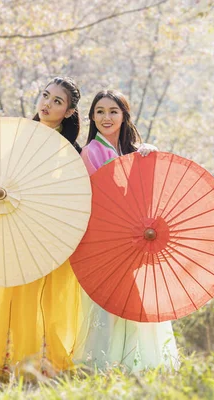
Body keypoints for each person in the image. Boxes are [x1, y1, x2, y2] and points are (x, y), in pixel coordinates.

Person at [0, 77, 85, 380]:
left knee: (42, 301)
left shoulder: (71, 151)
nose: (47, 104)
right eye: (46, 96)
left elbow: (74, 196)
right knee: (9, 296)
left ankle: (39, 366)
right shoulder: (18, 137)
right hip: (15, 230)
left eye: (57, 101)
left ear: (68, 112)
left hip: (50, 236)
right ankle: (6, 365)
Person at [76, 89, 180, 372]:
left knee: (138, 303)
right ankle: (104, 365)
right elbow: (101, 197)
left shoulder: (136, 151)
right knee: (110, 305)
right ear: (92, 117)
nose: (106, 117)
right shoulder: (91, 152)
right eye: (99, 112)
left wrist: (148, 157)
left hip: (137, 239)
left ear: (124, 115)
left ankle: (139, 362)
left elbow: (147, 193)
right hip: (108, 240)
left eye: (113, 111)